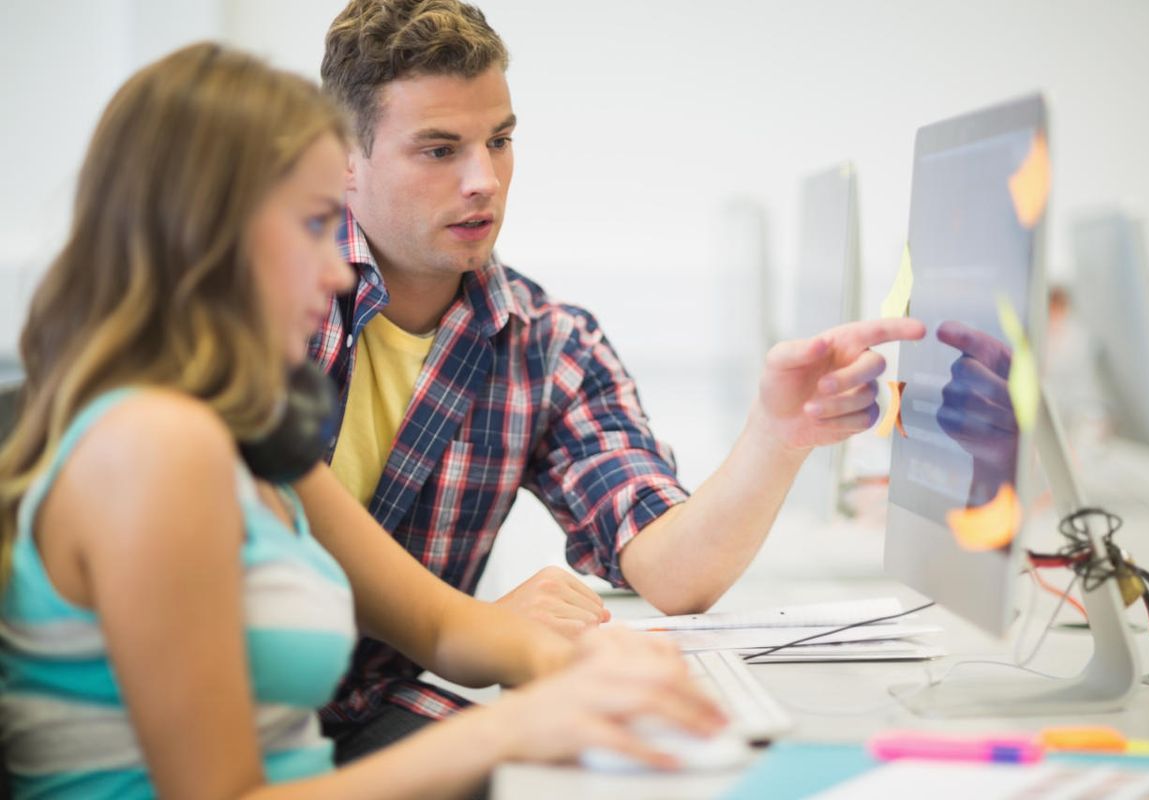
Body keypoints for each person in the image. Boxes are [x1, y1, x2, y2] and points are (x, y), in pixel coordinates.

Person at [0, 42, 723, 799]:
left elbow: (443, 627)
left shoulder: (245, 439)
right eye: (314, 223)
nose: (341, 267)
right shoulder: (154, 448)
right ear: (207, 233)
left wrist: (594, 671)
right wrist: (508, 729)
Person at [312, 0, 927, 760]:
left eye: (500, 141)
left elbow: (675, 574)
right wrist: (489, 633)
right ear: (343, 155)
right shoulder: (273, 299)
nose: (484, 181)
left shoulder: (546, 341)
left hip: (370, 709)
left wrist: (778, 435)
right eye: (439, 150)